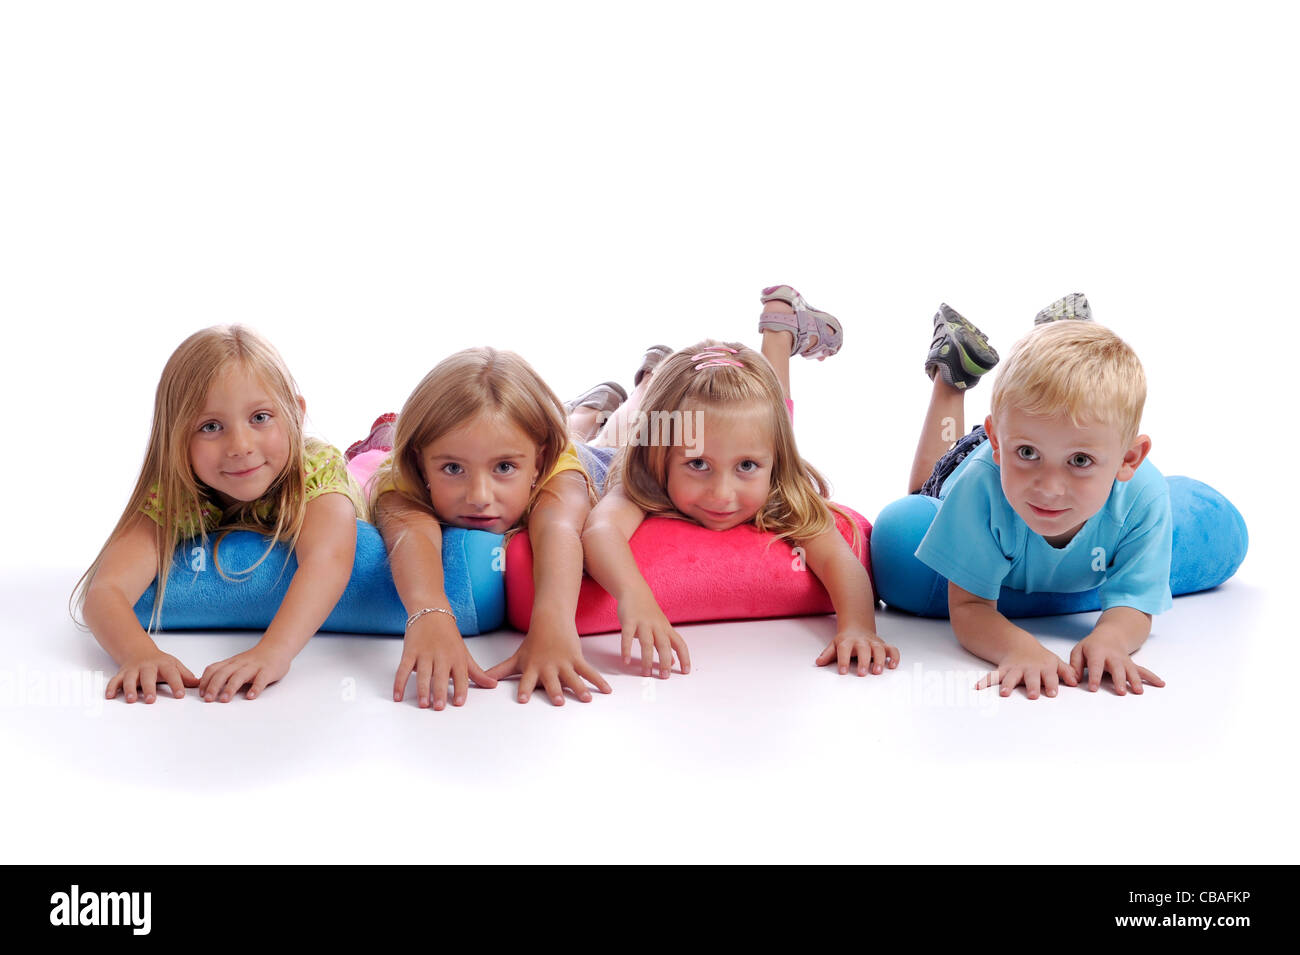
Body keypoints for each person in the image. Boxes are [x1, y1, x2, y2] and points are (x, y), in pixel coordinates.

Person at [581, 285, 898, 679]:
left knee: (769, 417)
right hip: (609, 450)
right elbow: (601, 530)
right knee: (602, 435)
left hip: (716, 431)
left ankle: (773, 330)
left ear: (774, 463)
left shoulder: (780, 489)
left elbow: (838, 557)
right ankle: (592, 407)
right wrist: (634, 595)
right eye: (698, 465)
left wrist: (858, 627)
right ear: (659, 462)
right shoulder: (643, 479)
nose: (723, 494)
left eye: (746, 466)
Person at [73, 326, 366, 703]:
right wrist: (139, 652)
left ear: (296, 414)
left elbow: (329, 558)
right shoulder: (178, 493)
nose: (240, 446)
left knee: (373, 467)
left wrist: (273, 652)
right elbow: (105, 590)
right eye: (211, 427)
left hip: (359, 488)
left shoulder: (314, 467)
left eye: (260, 417)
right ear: (176, 438)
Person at [908, 294, 1170, 699]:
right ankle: (952, 376)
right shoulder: (980, 485)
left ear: (1128, 459)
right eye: (1029, 455)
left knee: (1046, 427)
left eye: (1080, 460)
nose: (1049, 488)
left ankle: (1060, 335)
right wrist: (1018, 648)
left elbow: (1135, 600)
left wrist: (1112, 639)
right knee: (921, 492)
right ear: (997, 440)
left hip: (1031, 427)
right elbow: (969, 607)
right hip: (976, 458)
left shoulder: (1145, 497)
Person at [364, 347, 632, 710]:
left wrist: (553, 624)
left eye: (504, 467)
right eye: (453, 469)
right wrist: (429, 613)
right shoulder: (398, 476)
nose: (478, 497)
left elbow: (558, 528)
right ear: (420, 465)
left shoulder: (558, 469)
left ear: (538, 462)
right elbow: (410, 532)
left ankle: (616, 396)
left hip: (585, 449)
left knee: (613, 432)